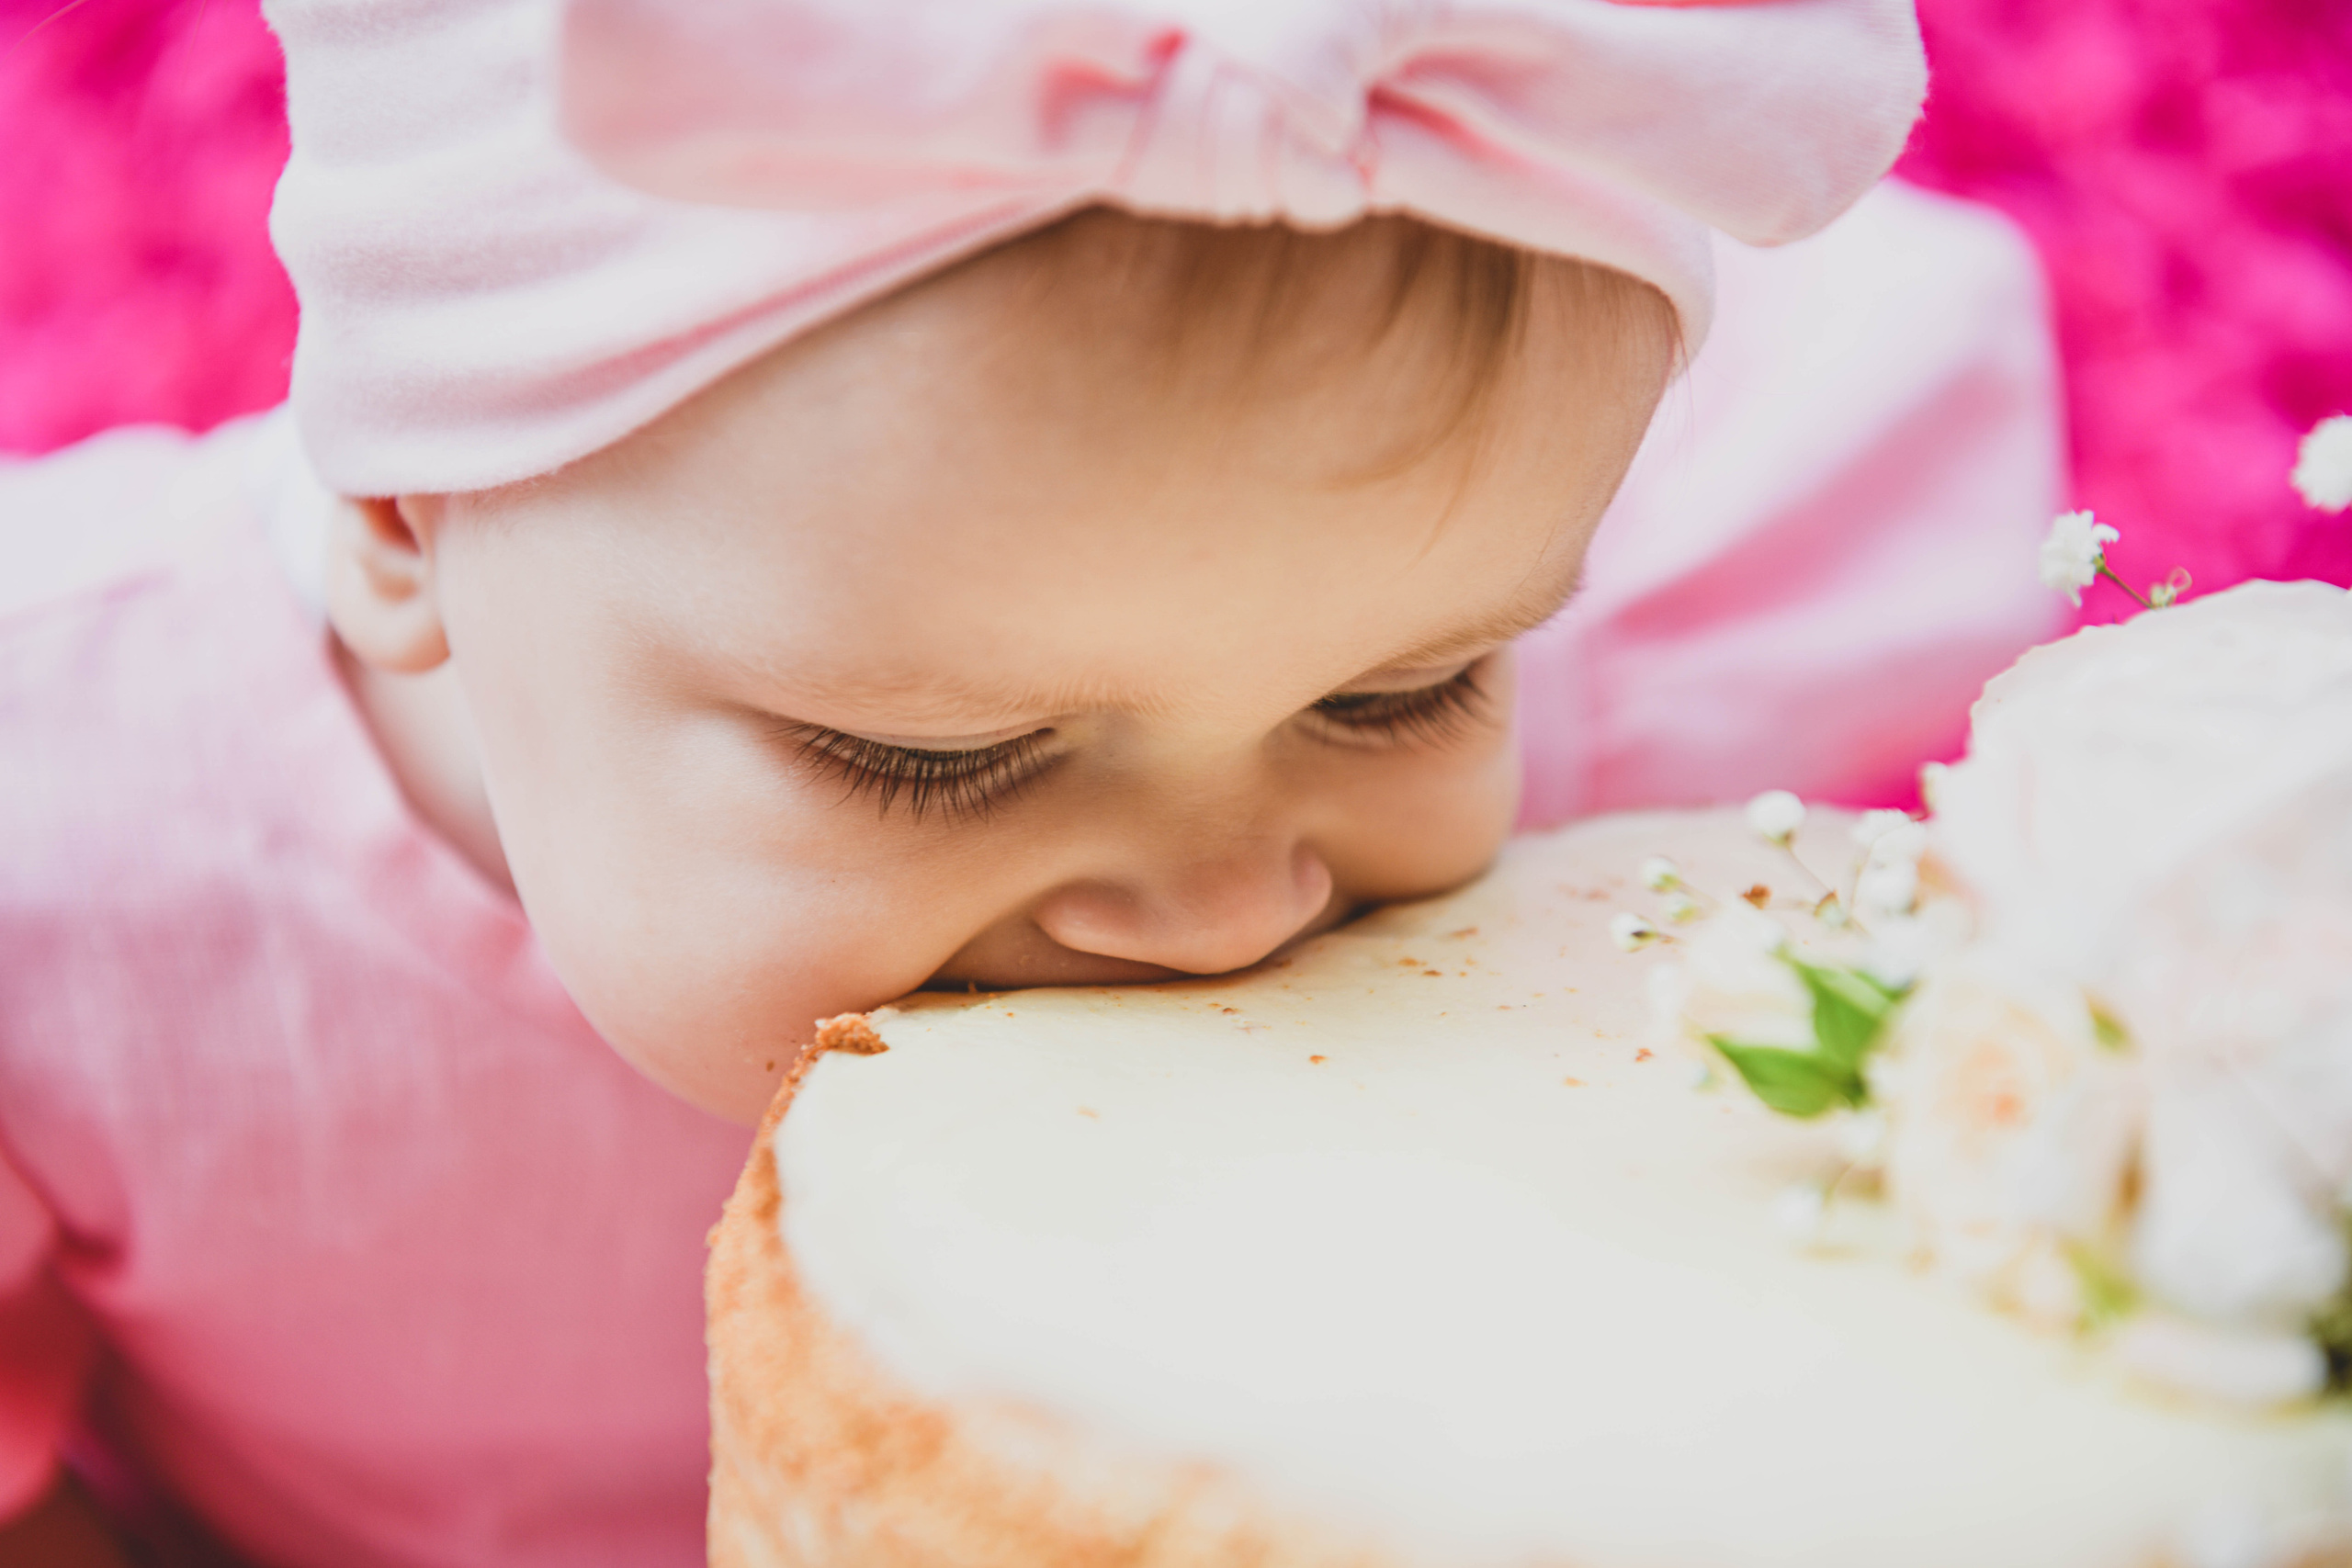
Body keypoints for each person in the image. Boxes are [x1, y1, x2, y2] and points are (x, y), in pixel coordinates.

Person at [0, 0, 2060, 1562]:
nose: (1225, 903)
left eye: (1405, 695)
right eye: (937, 755)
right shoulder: (72, 861)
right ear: (403, 507)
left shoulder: (1510, 643)